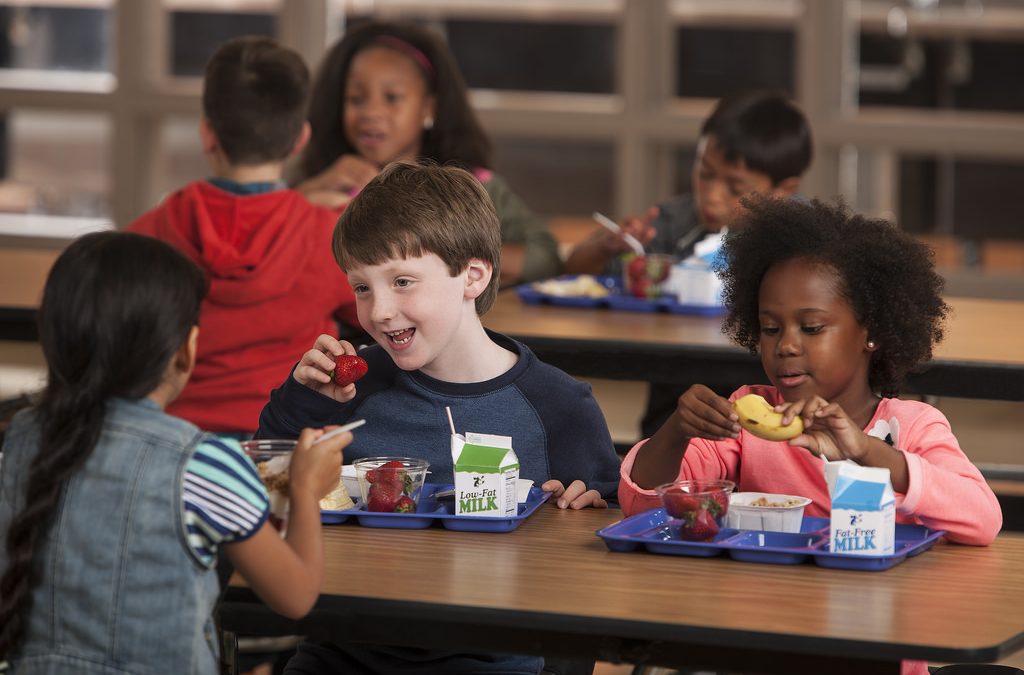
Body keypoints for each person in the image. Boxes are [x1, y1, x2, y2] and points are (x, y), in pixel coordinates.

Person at [259, 162, 621, 675]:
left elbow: (603, 550)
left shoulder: (559, 406)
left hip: (492, 660)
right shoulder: (349, 391)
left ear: (472, 276)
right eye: (362, 287)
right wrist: (304, 400)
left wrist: (589, 509)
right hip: (342, 652)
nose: (380, 310)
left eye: (402, 281)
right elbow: (268, 487)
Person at [0, 232, 350, 673]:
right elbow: (295, 597)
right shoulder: (205, 463)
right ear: (186, 350)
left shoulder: (21, 441)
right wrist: (304, 486)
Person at [127, 36, 360, 436]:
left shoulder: (148, 234)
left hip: (173, 447)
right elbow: (378, 312)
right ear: (300, 139)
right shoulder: (329, 236)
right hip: (287, 447)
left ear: (207, 135)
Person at [565, 90, 813, 440]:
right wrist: (608, 247)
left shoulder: (805, 239)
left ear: (783, 190)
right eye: (705, 174)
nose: (711, 195)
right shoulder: (675, 221)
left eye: (734, 187)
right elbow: (575, 272)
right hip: (675, 411)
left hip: (774, 409)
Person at [290, 20, 562, 287]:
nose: (370, 113)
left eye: (392, 97)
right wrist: (306, 195)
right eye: (356, 99)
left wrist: (438, 249)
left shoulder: (476, 187)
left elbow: (544, 257)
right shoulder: (324, 185)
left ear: (430, 108)